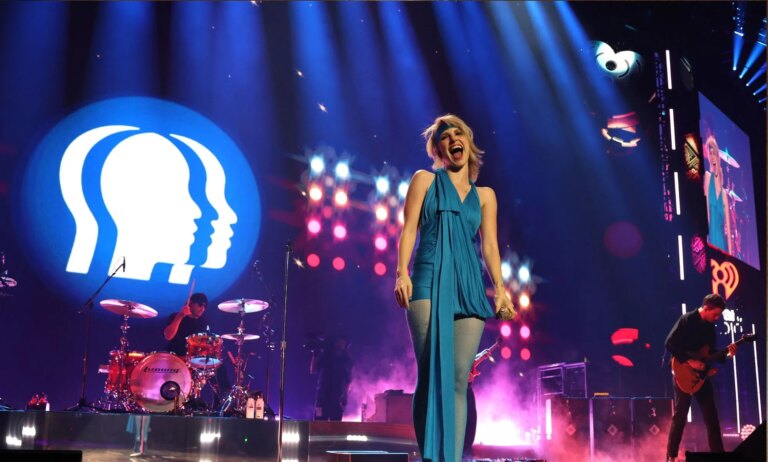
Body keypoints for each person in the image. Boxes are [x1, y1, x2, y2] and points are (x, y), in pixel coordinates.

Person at [394, 114, 515, 462]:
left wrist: (501, 290)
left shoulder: (487, 196)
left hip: (469, 284)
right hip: (429, 277)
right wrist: (401, 272)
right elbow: (409, 230)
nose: (452, 139)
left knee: (460, 378)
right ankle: (429, 456)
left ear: (468, 141)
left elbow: (490, 247)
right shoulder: (424, 181)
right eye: (444, 137)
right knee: (431, 372)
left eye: (457, 132)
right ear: (438, 150)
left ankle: (452, 458)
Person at [664, 293, 737, 462]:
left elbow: (710, 353)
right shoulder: (687, 319)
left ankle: (719, 456)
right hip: (683, 373)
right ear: (706, 308)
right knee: (680, 415)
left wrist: (727, 354)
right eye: (716, 314)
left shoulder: (710, 328)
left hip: (701, 376)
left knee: (711, 416)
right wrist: (689, 361)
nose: (718, 318)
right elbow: (669, 343)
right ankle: (671, 457)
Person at [163, 293, 229, 408]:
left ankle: (222, 403)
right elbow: (168, 336)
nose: (202, 309)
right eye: (200, 305)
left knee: (218, 366)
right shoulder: (175, 316)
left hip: (194, 361)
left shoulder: (204, 323)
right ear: (190, 303)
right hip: (176, 359)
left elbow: (204, 347)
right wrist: (180, 316)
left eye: (205, 306)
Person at [309, 335, 353, 421]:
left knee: (336, 424)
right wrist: (314, 355)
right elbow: (313, 370)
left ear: (345, 345)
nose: (339, 344)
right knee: (319, 421)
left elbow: (348, 379)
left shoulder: (346, 360)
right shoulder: (326, 356)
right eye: (338, 341)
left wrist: (345, 394)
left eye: (342, 342)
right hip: (323, 395)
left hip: (337, 396)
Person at [703, 135, 732, 255]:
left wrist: (730, 254)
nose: (712, 156)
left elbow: (729, 230)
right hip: (710, 241)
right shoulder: (707, 177)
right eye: (710, 153)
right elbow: (706, 212)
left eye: (714, 153)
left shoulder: (724, 194)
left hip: (722, 246)